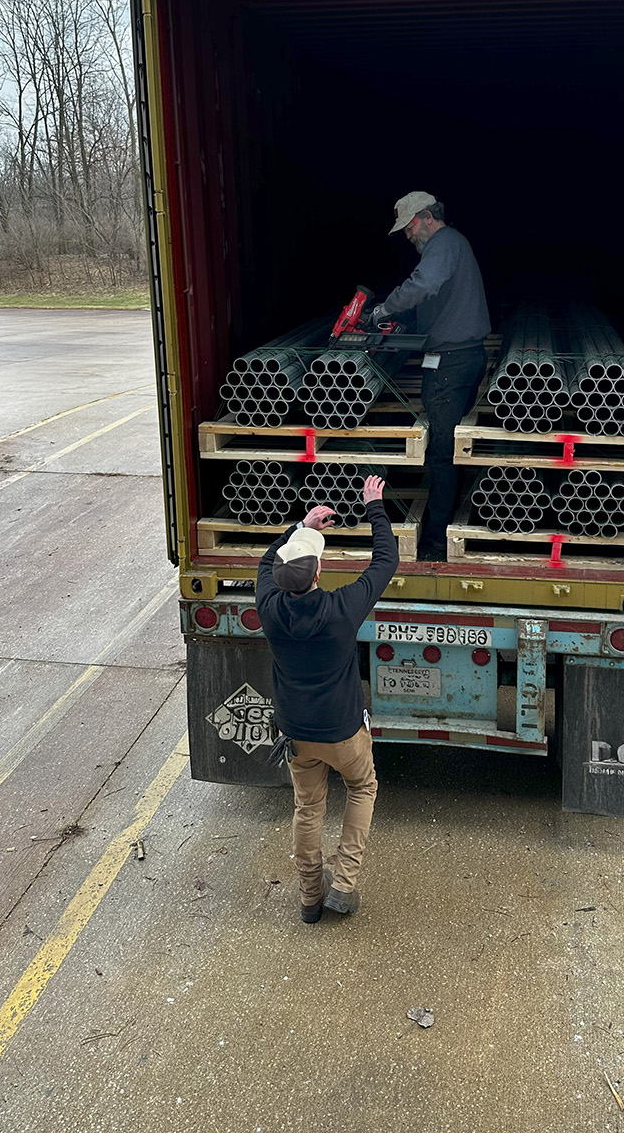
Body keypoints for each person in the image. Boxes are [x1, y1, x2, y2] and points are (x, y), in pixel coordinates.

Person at [256, 475, 399, 923]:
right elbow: (385, 561)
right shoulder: (341, 610)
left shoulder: (268, 605)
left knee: (307, 807)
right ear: (318, 572)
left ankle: (309, 896)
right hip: (343, 732)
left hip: (296, 733)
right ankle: (345, 883)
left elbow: (265, 563)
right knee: (362, 787)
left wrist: (302, 526)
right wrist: (373, 505)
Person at [372, 191, 491, 561]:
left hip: (449, 365)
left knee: (441, 454)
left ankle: (437, 541)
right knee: (450, 448)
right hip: (463, 357)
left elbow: (423, 285)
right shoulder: (453, 246)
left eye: (408, 227)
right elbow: (433, 302)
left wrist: (381, 311)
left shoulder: (443, 242)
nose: (407, 237)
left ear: (426, 217)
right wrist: (401, 320)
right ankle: (449, 521)